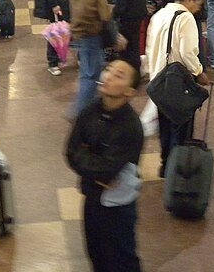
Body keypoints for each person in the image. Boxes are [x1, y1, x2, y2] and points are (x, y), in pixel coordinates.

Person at [66, 59, 145, 272]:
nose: (107, 76)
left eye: (118, 75)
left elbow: (107, 169)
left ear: (130, 91)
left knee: (122, 259)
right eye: (108, 69)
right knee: (96, 254)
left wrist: (88, 159)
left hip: (117, 206)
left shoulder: (130, 127)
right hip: (92, 196)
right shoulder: (90, 110)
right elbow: (71, 152)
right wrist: (96, 171)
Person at [145, 0, 210, 175]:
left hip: (158, 80)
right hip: (177, 81)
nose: (198, 9)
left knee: (164, 126)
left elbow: (149, 48)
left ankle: (165, 165)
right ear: (189, 0)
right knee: (182, 127)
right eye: (198, 4)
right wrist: (199, 72)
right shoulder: (186, 18)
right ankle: (178, 167)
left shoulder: (158, 15)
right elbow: (188, 52)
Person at [70, 0, 121, 116]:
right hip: (90, 34)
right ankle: (80, 114)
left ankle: (84, 110)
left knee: (90, 73)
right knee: (91, 77)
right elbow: (98, 12)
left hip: (83, 34)